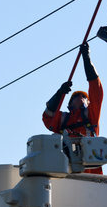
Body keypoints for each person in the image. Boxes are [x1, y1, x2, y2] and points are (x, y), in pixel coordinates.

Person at [42, 42, 103, 174]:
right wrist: (59, 93)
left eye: (84, 97)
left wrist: (86, 58)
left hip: (90, 171)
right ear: (69, 105)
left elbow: (95, 88)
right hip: (67, 170)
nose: (81, 97)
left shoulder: (91, 116)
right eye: (77, 96)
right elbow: (48, 117)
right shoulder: (63, 120)